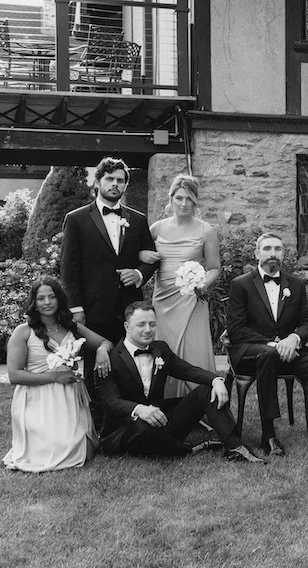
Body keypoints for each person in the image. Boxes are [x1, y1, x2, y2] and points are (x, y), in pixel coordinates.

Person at [226, 233, 308, 464]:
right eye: (267, 249)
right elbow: (236, 330)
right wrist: (276, 344)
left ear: (283, 254)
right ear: (257, 253)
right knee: (268, 355)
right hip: (252, 352)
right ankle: (269, 435)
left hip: (290, 352)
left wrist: (295, 337)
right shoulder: (241, 284)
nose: (272, 254)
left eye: (278, 249)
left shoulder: (295, 284)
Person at [97, 302, 264, 462]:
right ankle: (191, 448)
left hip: (158, 420)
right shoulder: (109, 359)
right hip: (126, 429)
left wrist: (215, 380)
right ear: (127, 326)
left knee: (205, 391)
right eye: (141, 324)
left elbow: (187, 370)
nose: (148, 330)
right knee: (144, 428)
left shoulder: (160, 349)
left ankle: (235, 447)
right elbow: (110, 401)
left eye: (152, 324)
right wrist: (139, 409)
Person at [60, 156, 158, 419]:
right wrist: (75, 307)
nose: (115, 184)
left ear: (126, 185)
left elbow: (150, 257)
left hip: (129, 307)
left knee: (129, 361)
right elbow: (69, 267)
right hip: (93, 307)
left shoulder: (137, 220)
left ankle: (129, 415)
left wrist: (138, 273)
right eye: (110, 179)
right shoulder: (77, 218)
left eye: (120, 180)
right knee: (95, 364)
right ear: (98, 182)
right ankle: (98, 420)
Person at [2, 276, 114, 472]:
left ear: (60, 299)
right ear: (34, 303)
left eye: (52, 297)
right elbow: (15, 376)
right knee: (57, 452)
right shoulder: (24, 332)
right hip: (38, 399)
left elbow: (106, 342)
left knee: (85, 452)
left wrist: (102, 351)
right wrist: (55, 377)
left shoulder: (71, 327)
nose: (47, 303)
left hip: (70, 397)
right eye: (41, 298)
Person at [140, 175, 219, 398]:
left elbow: (214, 267)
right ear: (171, 199)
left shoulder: (206, 231)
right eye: (179, 198)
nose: (184, 204)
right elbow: (143, 258)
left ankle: (200, 402)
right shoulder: (156, 229)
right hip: (163, 299)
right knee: (165, 349)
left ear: (196, 202)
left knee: (194, 351)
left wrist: (201, 283)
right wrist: (141, 253)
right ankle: (166, 401)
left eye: (189, 199)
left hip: (192, 299)